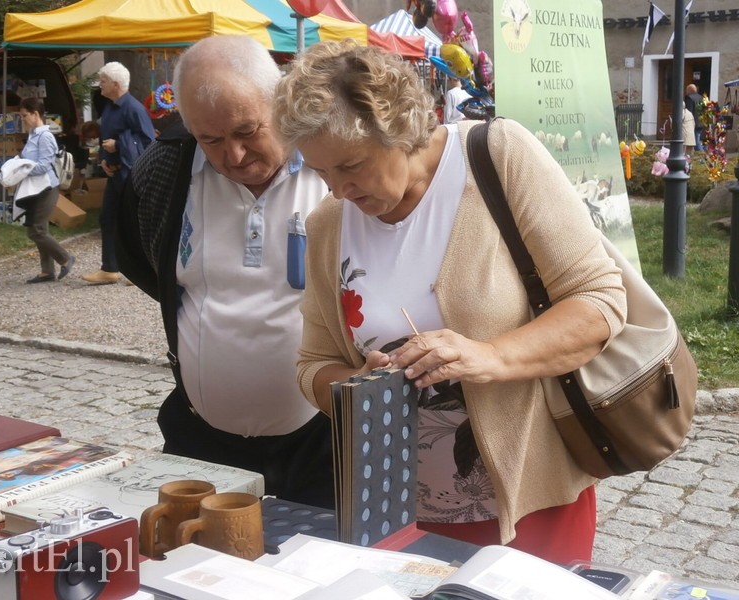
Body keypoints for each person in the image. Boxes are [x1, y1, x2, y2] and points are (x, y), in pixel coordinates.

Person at [272, 41, 627, 563]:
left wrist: (489, 355)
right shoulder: (329, 224)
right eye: (321, 172)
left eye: (351, 165)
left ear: (399, 128)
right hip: (393, 511)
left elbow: (599, 300)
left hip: (531, 501)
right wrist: (357, 387)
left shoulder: (495, 156)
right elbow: (312, 365)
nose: (339, 190)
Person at [115, 36, 334, 509]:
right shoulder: (166, 167)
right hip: (200, 442)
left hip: (324, 445)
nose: (233, 156)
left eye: (247, 131)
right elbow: (139, 256)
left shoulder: (331, 162)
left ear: (280, 103)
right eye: (210, 140)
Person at [82, 62, 155, 285]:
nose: (100, 85)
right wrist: (105, 160)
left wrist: (120, 145)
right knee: (108, 218)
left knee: (134, 222)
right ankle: (109, 268)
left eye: (103, 81)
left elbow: (148, 141)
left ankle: (142, 268)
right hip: (114, 173)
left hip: (130, 175)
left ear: (116, 84)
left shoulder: (134, 108)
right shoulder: (110, 107)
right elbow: (107, 139)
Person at [16, 97, 75, 284]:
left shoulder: (45, 137)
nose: (23, 119)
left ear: (35, 114)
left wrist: (21, 170)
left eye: (25, 115)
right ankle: (47, 270)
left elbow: (44, 166)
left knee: (35, 230)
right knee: (40, 228)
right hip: (35, 188)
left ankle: (65, 258)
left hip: (46, 187)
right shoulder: (33, 135)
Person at [684, 83, 704, 151]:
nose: (686, 92)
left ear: (690, 90)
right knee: (698, 140)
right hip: (701, 122)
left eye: (686, 90)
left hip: (694, 123)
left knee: (696, 143)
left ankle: (702, 155)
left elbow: (689, 112)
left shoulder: (689, 98)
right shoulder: (701, 98)